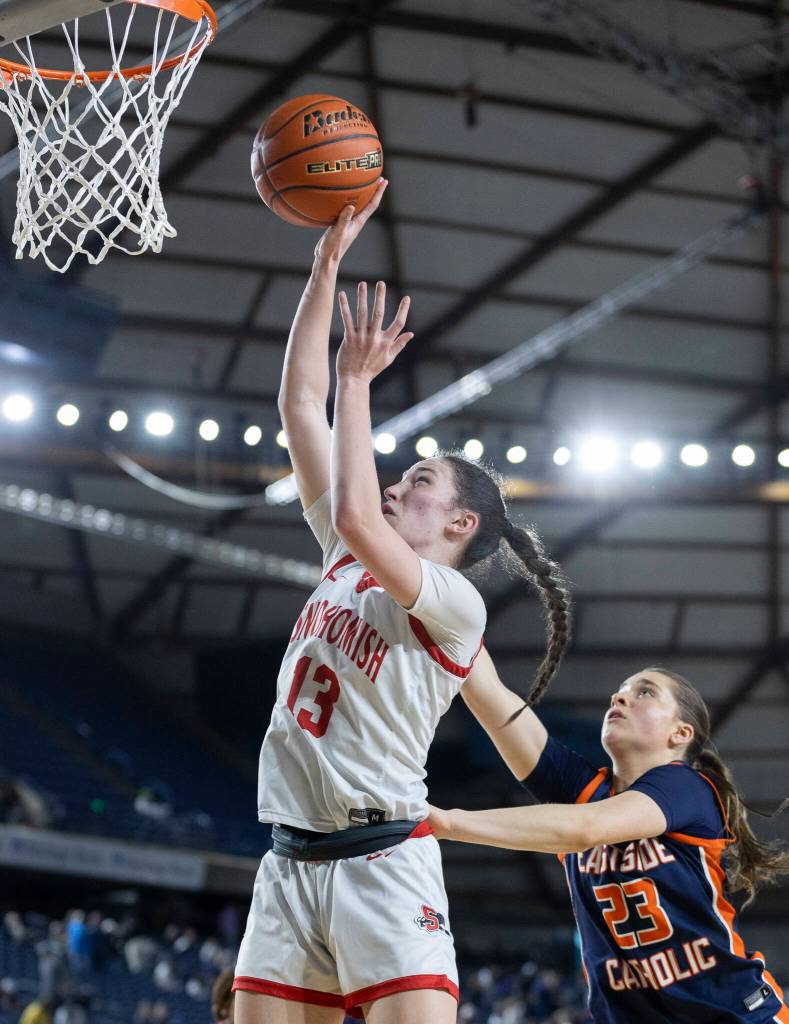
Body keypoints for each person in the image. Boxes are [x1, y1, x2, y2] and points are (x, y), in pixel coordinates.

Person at [232, 179, 571, 1024]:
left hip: (384, 859)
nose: (393, 485)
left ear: (458, 522)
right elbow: (296, 407)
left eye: (415, 480)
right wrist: (322, 268)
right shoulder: (347, 556)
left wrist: (360, 382)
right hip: (287, 864)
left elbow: (349, 495)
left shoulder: (454, 602)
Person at [430, 656, 789, 1023]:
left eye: (644, 693)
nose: (619, 699)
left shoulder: (687, 787)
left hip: (737, 1015)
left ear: (680, 733)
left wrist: (449, 822)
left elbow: (587, 829)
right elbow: (491, 695)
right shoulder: (584, 793)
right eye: (618, 693)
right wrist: (459, 635)